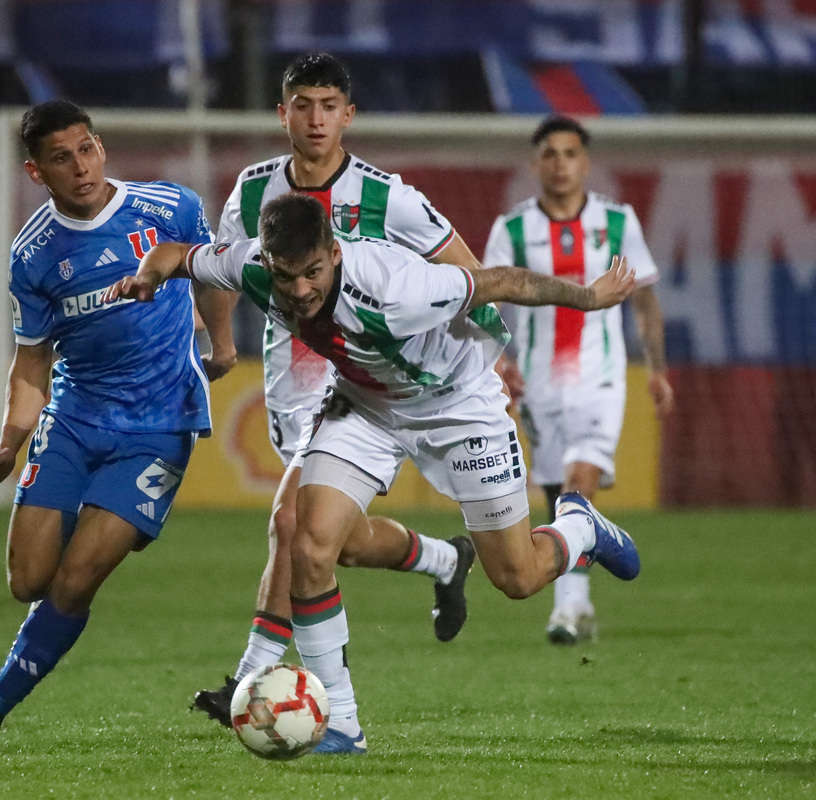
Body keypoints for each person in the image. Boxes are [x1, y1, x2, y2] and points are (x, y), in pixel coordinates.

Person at [109, 193, 642, 754]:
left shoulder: (393, 288)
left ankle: (580, 527)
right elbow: (173, 254)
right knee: (310, 544)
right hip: (367, 404)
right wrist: (146, 277)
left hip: (458, 404)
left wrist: (588, 297)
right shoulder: (250, 266)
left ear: (334, 254)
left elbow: (503, 282)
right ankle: (340, 721)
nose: (301, 290)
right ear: (267, 263)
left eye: (313, 272)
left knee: (517, 579)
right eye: (287, 276)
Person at [191, 52, 488, 727]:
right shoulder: (250, 191)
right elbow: (215, 271)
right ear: (283, 112)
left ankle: (256, 681)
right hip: (289, 381)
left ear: (348, 114)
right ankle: (444, 559)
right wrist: (222, 344)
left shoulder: (388, 197)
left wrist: (487, 345)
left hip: (364, 384)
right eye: (303, 104)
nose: (316, 118)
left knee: (291, 525)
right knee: (335, 542)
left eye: (329, 106)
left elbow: (464, 268)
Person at [0, 100, 235, 755]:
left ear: (101, 146)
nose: (81, 167)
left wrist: (224, 342)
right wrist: (9, 444)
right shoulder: (33, 255)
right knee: (29, 582)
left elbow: (215, 269)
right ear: (35, 171)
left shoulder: (169, 207)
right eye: (62, 158)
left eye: (88, 149)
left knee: (76, 580)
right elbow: (31, 364)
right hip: (73, 420)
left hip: (159, 426)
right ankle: (58, 539)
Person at [484, 116, 673, 645]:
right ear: (535, 164)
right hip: (541, 378)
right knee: (554, 489)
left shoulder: (618, 222)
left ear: (586, 163)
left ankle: (567, 608)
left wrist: (657, 370)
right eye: (550, 154)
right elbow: (490, 299)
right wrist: (501, 359)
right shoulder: (513, 228)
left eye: (570, 154)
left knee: (579, 478)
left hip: (601, 376)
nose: (560, 164)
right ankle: (580, 598)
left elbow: (645, 299)